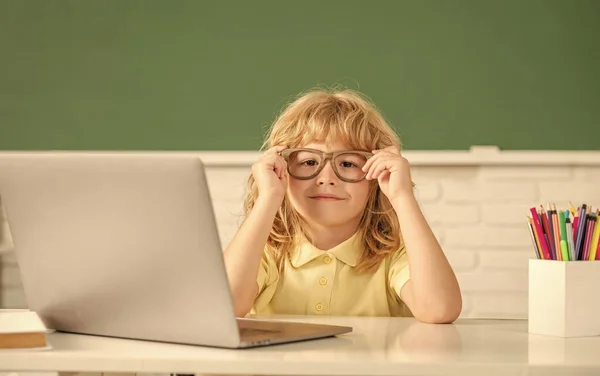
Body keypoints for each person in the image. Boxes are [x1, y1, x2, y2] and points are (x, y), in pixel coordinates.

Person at [223, 88, 461, 323]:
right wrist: (268, 198)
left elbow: (439, 309)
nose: (327, 177)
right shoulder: (266, 251)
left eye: (347, 163)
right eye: (308, 161)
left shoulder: (391, 255)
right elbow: (223, 307)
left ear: (375, 179)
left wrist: (402, 196)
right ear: (281, 170)